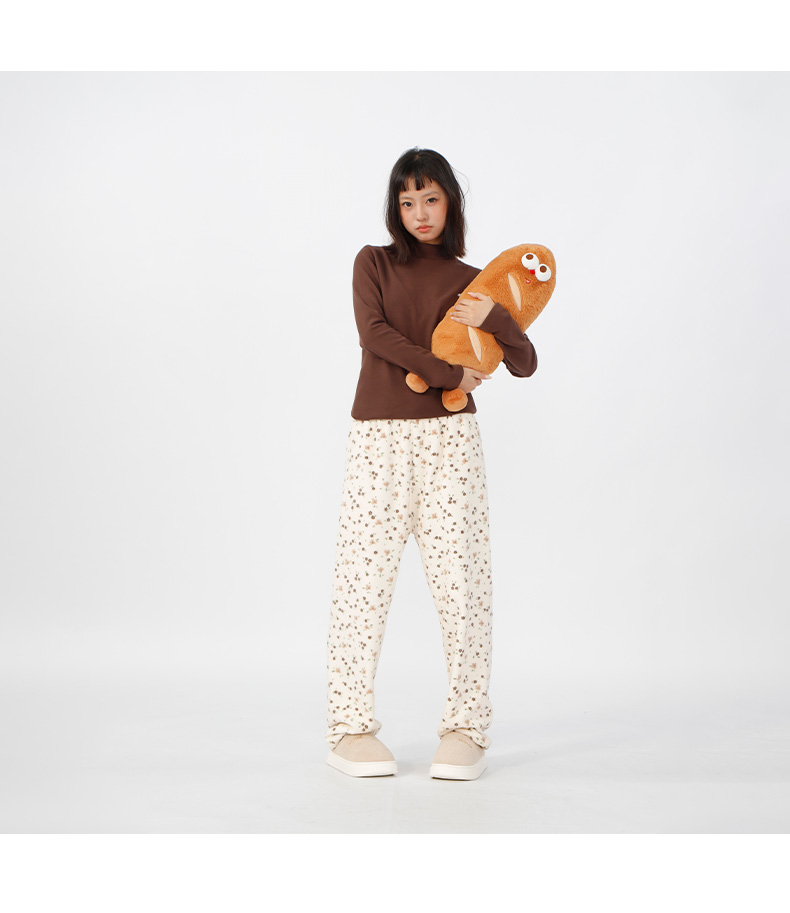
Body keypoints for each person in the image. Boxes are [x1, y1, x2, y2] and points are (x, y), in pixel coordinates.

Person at [325, 147, 538, 781]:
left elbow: (524, 362)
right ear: (395, 208)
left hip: (451, 444)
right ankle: (348, 727)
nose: (419, 212)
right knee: (362, 583)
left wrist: (495, 317)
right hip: (379, 440)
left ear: (451, 203)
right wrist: (449, 374)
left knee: (464, 585)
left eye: (431, 199)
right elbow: (374, 333)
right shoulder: (373, 263)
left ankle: (467, 727)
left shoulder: (474, 282)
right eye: (407, 201)